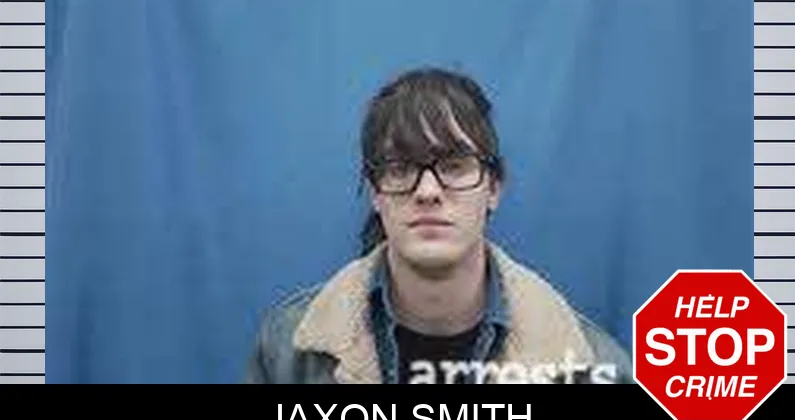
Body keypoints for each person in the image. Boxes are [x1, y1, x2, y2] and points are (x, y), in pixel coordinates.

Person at [244, 67, 632, 384]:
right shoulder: (288, 350)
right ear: (376, 194)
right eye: (400, 168)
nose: (427, 191)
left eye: (454, 166)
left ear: (494, 189)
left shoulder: (591, 368)